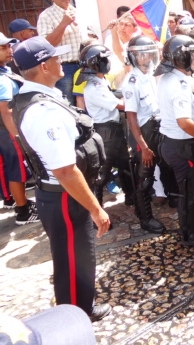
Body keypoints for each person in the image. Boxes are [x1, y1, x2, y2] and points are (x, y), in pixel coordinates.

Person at [11, 36, 111, 321]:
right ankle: (75, 317)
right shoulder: (44, 112)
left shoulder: (42, 96)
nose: (61, 63)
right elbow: (65, 170)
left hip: (64, 193)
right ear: (44, 66)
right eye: (56, 58)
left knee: (78, 256)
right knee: (72, 258)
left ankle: (81, 307)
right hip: (64, 195)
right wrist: (96, 208)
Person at [156, 35, 194, 247]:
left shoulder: (167, 78)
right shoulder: (179, 83)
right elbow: (184, 122)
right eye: (192, 54)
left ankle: (193, 224)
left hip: (172, 143)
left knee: (191, 189)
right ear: (183, 57)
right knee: (189, 192)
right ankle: (189, 233)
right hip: (183, 146)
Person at [122, 35, 177, 234]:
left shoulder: (153, 74)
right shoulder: (132, 82)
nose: (147, 57)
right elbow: (132, 118)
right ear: (134, 56)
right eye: (142, 53)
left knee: (165, 165)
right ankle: (145, 217)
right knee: (144, 176)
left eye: (149, 52)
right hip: (143, 132)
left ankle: (172, 198)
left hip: (158, 126)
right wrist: (143, 147)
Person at [76, 45, 134, 207]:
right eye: (105, 59)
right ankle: (96, 210)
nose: (108, 62)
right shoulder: (94, 88)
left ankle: (131, 197)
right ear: (97, 63)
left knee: (125, 165)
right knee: (101, 173)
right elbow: (120, 105)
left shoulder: (101, 81)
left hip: (113, 130)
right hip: (105, 132)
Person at [37, 0, 98, 105]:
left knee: (88, 101)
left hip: (84, 65)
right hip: (65, 67)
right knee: (69, 103)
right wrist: (64, 23)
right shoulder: (46, 16)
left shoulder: (76, 11)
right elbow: (46, 45)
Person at [0, 32, 38, 223]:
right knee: (18, 171)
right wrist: (17, 135)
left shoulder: (4, 71)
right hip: (9, 131)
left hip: (7, 132)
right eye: (3, 48)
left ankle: (20, 202)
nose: (9, 50)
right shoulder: (2, 80)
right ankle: (23, 212)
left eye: (9, 46)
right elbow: (6, 111)